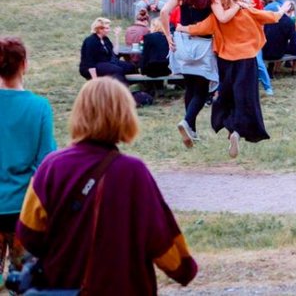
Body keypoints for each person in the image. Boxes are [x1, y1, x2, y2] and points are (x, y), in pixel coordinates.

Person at [16, 78, 197, 293]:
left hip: (64, 288)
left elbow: (28, 235)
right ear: (125, 115)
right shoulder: (133, 173)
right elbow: (162, 241)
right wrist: (185, 269)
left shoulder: (51, 167)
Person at [177, 0, 288, 158]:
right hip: (247, 59)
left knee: (227, 96)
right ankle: (237, 131)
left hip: (226, 60)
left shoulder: (217, 17)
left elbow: (200, 28)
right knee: (245, 97)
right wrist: (283, 9)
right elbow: (272, 17)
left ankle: (230, 127)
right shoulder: (248, 11)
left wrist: (181, 28)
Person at [160, 0, 242, 149]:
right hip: (203, 45)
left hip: (181, 42)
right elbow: (222, 18)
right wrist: (237, 5)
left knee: (190, 86)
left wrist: (167, 36)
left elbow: (164, 12)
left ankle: (192, 131)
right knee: (202, 90)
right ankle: (187, 121)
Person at [0, 37, 56, 279]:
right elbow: (46, 162)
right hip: (24, 209)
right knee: (25, 282)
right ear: (24, 64)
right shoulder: (39, 107)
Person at [235, 0, 273, 96]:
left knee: (258, 62)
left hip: (253, 34)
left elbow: (262, 17)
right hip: (238, 35)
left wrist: (259, 32)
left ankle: (267, 87)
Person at [79, 17, 136, 85]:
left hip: (107, 63)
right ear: (99, 29)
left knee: (130, 67)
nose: (109, 30)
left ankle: (136, 85)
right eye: (107, 28)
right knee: (117, 70)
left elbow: (115, 52)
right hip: (92, 66)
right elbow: (89, 62)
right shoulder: (91, 41)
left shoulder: (105, 39)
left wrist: (116, 36)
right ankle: (120, 89)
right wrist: (95, 80)